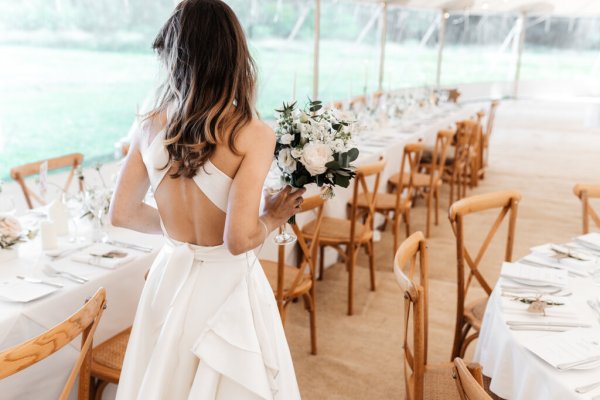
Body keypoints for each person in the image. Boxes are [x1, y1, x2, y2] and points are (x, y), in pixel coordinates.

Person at [109, 1, 304, 398]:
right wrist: (272, 217)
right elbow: (237, 240)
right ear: (234, 55)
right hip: (224, 288)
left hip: (169, 279)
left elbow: (123, 213)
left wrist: (176, 227)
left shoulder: (148, 124)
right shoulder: (253, 132)